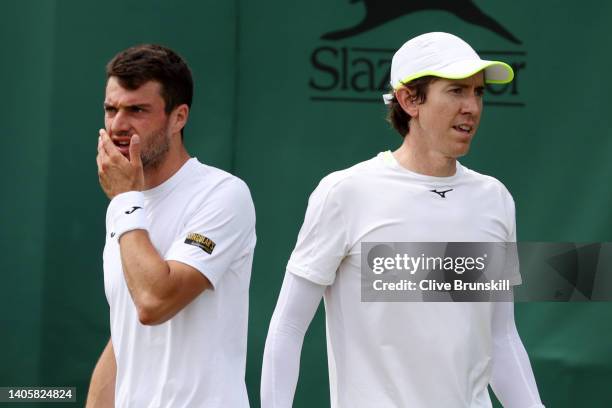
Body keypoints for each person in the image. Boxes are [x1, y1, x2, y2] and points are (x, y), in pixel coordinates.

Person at [261, 32, 544, 407]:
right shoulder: (345, 192)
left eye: (478, 92)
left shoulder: (495, 199)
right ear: (410, 99)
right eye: (457, 91)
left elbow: (501, 338)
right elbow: (289, 327)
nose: (472, 107)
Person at [86, 44, 256, 408]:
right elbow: (126, 333)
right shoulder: (126, 204)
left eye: (137, 110)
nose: (117, 125)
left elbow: (154, 301)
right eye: (111, 109)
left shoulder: (223, 194)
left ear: (178, 118)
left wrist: (124, 202)